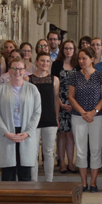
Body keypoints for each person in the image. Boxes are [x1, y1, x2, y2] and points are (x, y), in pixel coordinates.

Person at [0, 58, 42, 181]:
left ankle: (24, 199)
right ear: (9, 70)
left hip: (25, 133)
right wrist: (5, 132)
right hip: (8, 133)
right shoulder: (1, 89)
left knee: (25, 173)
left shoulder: (32, 89)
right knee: (8, 173)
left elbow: (37, 112)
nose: (17, 71)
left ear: (25, 71)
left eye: (20, 69)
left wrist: (28, 132)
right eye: (14, 68)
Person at [68, 48, 102, 190]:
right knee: (81, 150)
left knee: (96, 149)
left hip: (97, 117)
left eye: (84, 58)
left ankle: (93, 183)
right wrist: (83, 112)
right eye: (79, 59)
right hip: (79, 117)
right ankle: (84, 182)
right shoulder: (74, 76)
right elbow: (71, 97)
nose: (81, 61)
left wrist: (93, 112)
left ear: (92, 59)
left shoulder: (100, 76)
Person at [28, 53, 60, 181]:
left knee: (48, 152)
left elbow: (56, 99)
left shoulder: (55, 79)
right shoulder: (28, 79)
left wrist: (56, 117)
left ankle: (49, 181)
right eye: (42, 61)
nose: (45, 63)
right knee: (33, 152)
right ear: (36, 62)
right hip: (33, 120)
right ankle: (33, 181)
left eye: (47, 61)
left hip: (49, 118)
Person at [57, 41, 78, 174]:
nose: (68, 50)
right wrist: (60, 103)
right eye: (66, 48)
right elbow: (53, 85)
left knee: (71, 135)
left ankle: (71, 162)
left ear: (74, 50)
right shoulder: (57, 64)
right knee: (62, 134)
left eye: (70, 48)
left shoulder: (77, 65)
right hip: (59, 101)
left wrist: (73, 103)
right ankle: (62, 163)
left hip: (74, 102)